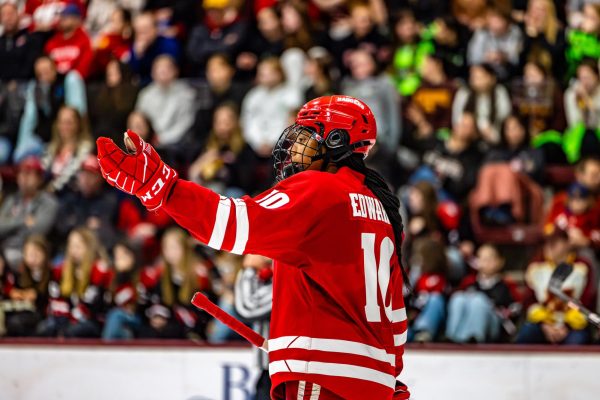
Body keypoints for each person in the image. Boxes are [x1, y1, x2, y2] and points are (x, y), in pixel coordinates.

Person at [97, 95, 410, 399]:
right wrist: (388, 376)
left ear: (336, 141)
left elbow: (231, 223)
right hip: (374, 383)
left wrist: (163, 187)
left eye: (307, 135)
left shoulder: (318, 190)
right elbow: (395, 319)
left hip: (324, 377)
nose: (295, 146)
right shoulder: (379, 210)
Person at [0, 156, 58, 268]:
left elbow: (39, 230)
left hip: (32, 253)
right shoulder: (11, 200)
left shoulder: (48, 202)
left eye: (29, 174)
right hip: (5, 251)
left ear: (39, 179)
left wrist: (10, 226)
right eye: (21, 174)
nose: (24, 178)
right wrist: (23, 221)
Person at [235, 254, 274, 400]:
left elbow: (248, 306)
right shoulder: (266, 273)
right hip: (269, 368)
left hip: (290, 366)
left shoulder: (292, 274)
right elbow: (247, 305)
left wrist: (250, 268)